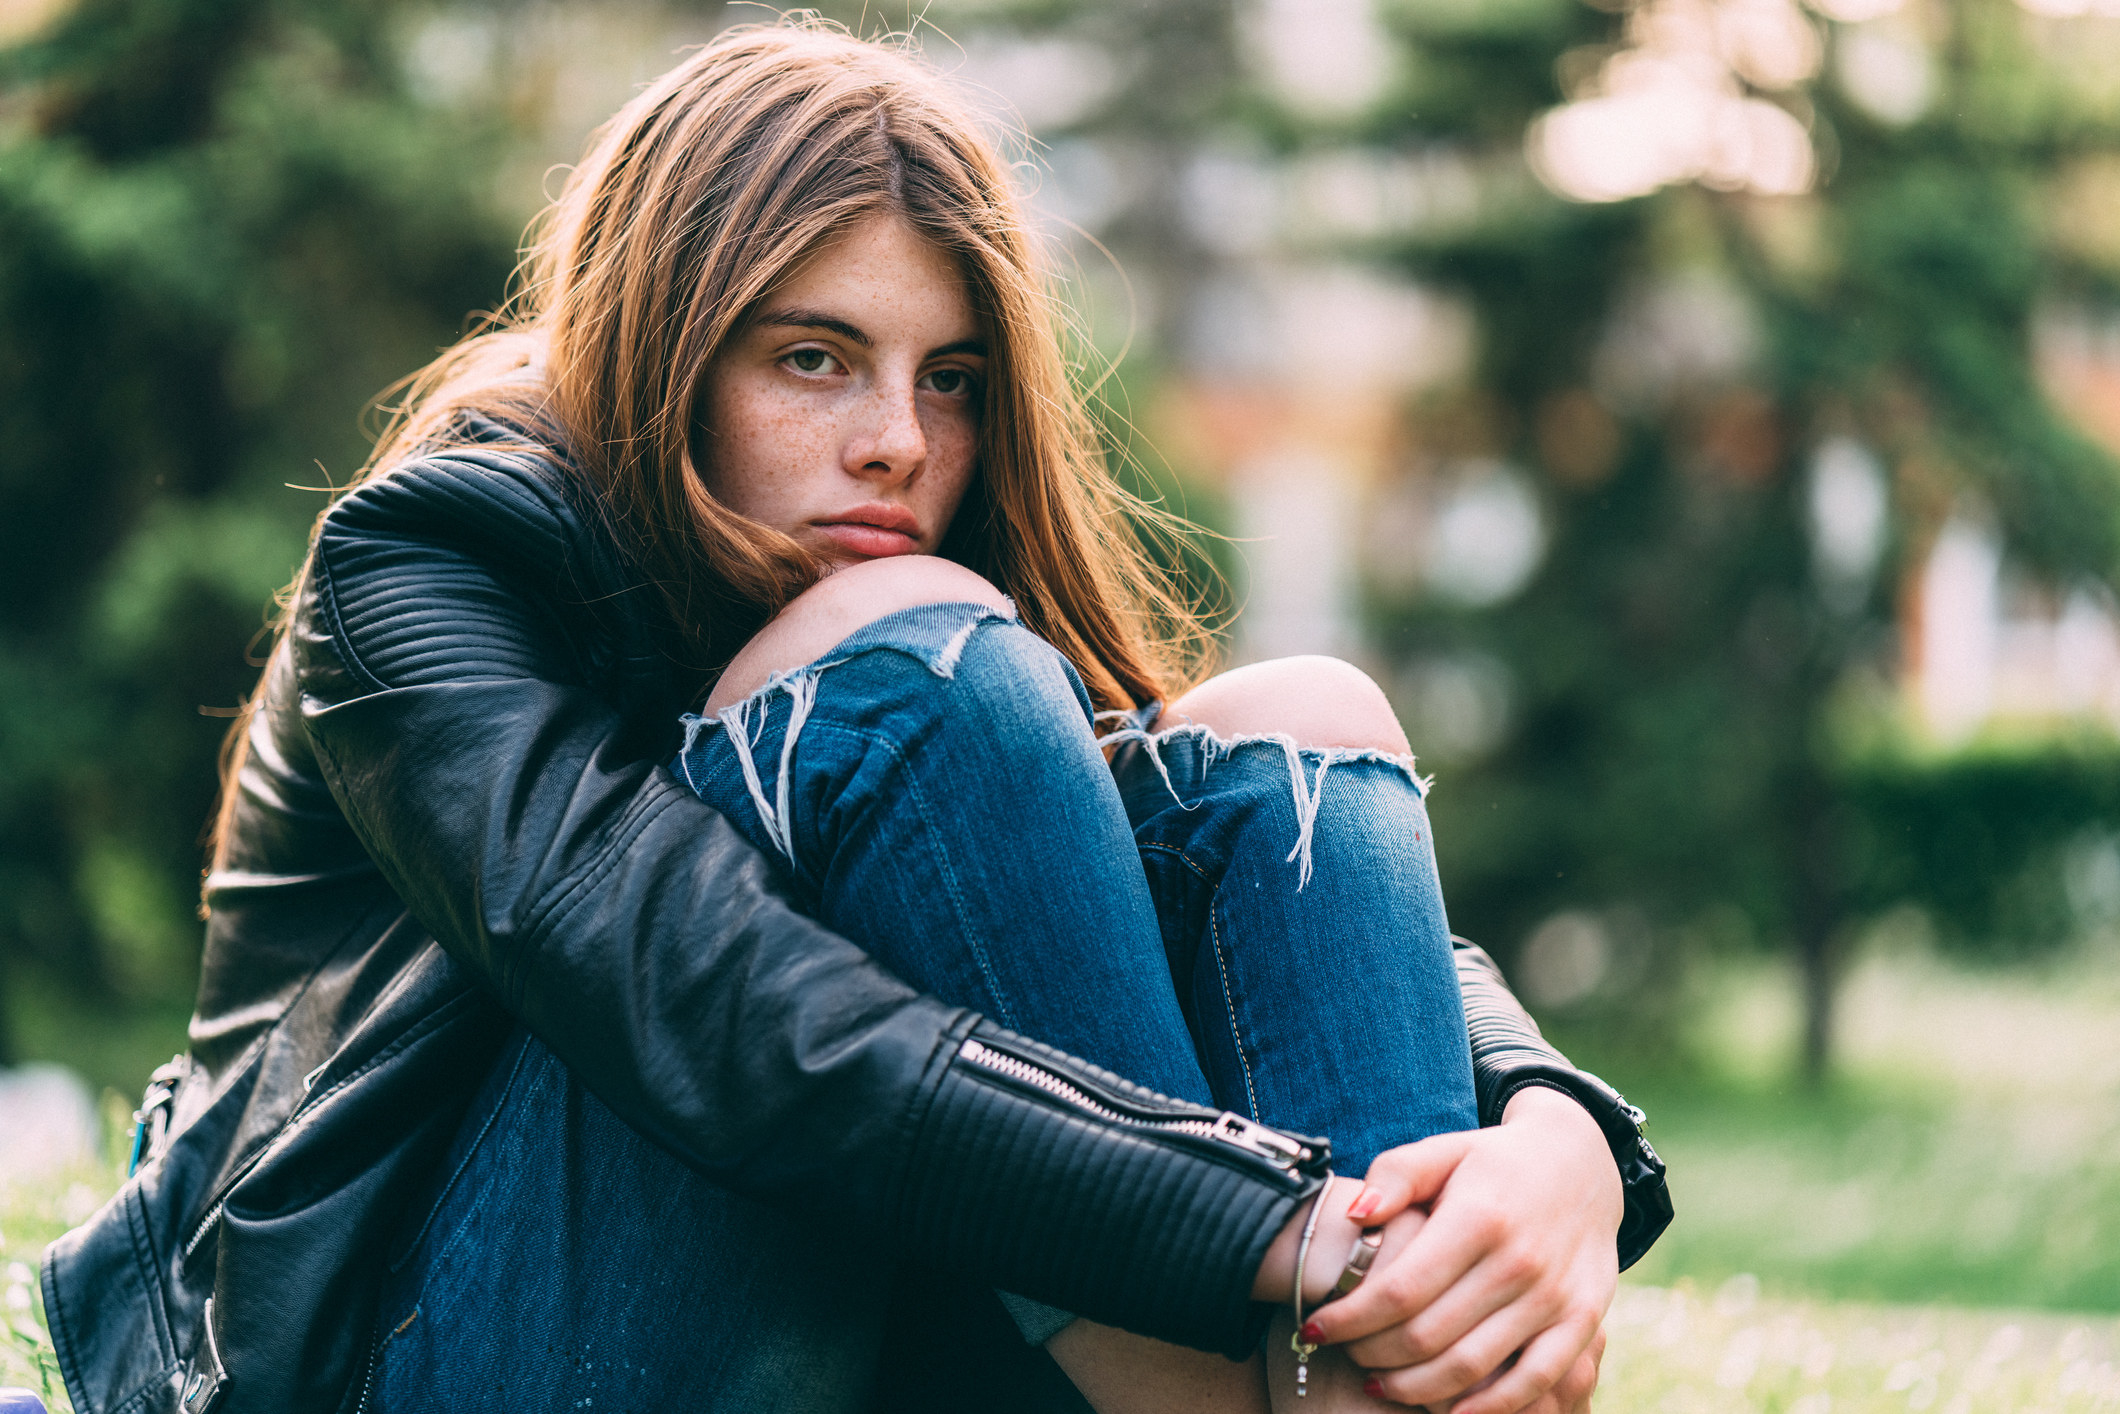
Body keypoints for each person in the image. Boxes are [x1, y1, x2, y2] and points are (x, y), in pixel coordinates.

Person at [41, 22, 1669, 1414]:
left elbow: (1180, 864)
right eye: (813, 358)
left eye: (949, 378)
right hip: (390, 1347)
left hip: (820, 1308)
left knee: (1295, 719)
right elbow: (720, 1001)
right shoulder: (430, 565)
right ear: (665, 347)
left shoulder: (914, 626)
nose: (898, 439)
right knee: (907, 654)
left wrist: (1560, 1140)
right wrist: (1290, 1228)